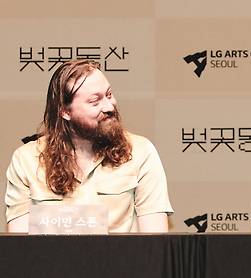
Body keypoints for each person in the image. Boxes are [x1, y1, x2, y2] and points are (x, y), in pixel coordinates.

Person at [5, 60, 173, 232]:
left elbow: (155, 242)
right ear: (65, 112)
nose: (109, 106)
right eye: (95, 101)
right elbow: (20, 247)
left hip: (121, 259)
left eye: (109, 94)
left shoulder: (140, 152)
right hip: (50, 259)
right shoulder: (26, 160)